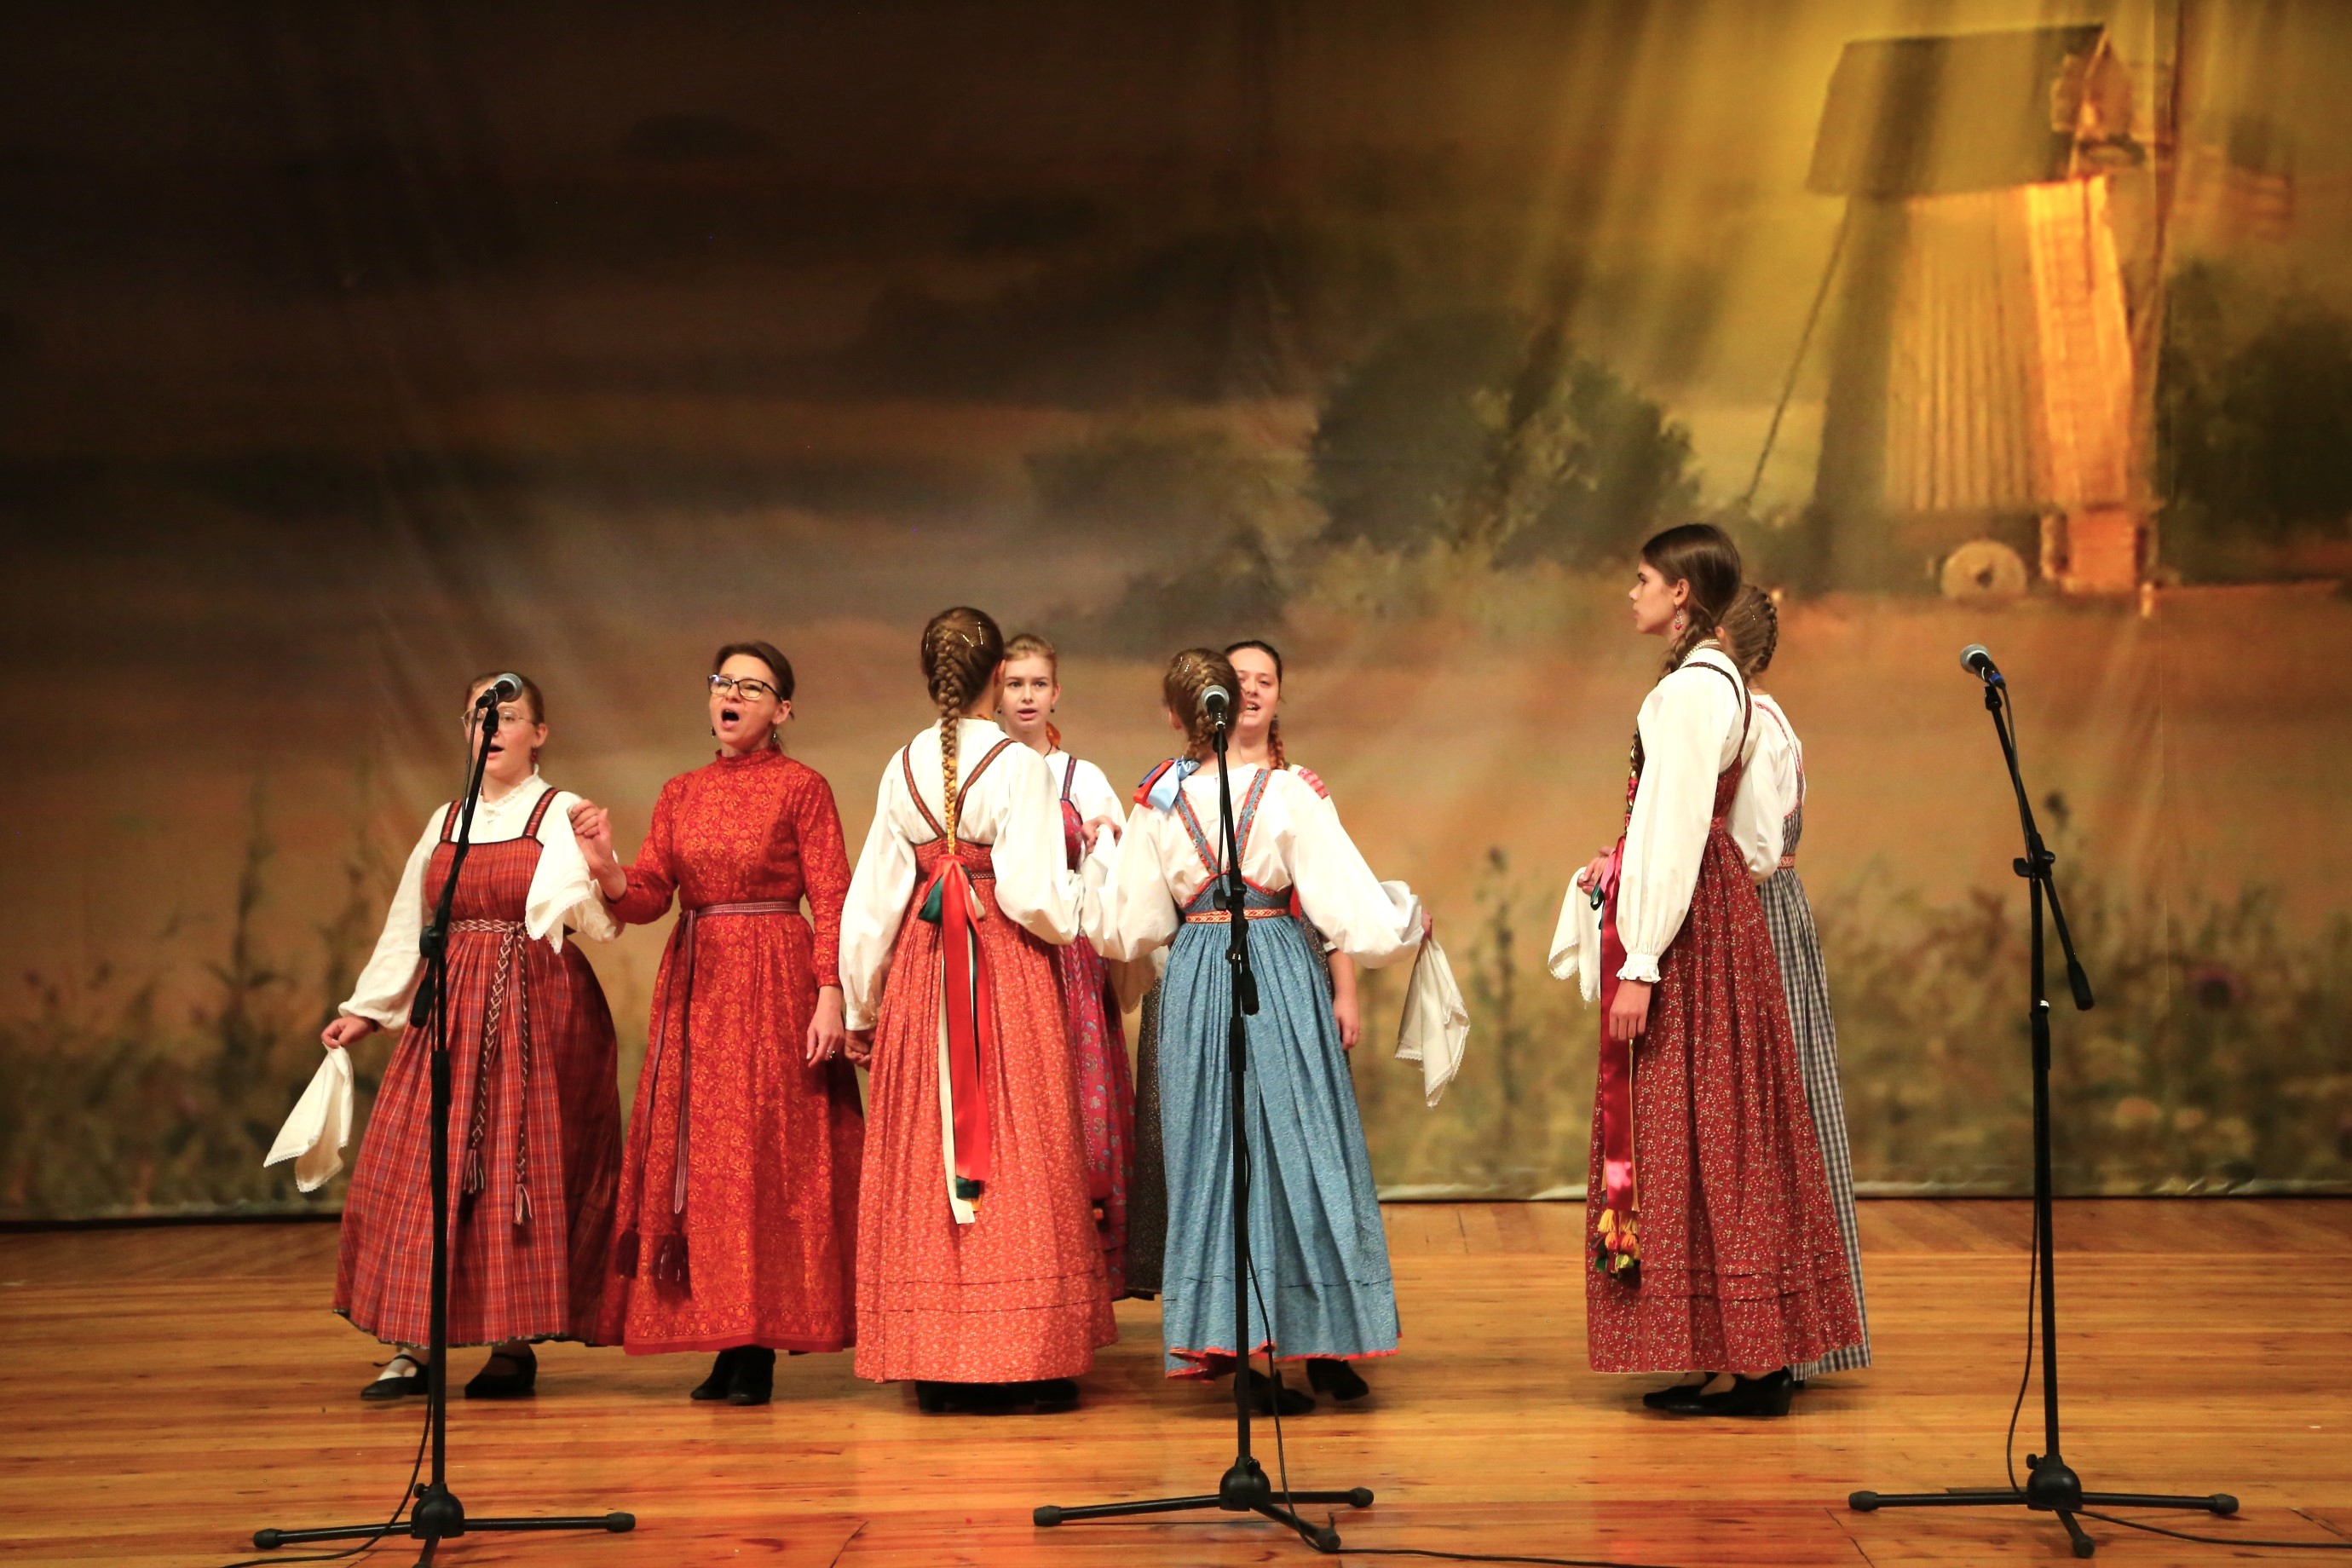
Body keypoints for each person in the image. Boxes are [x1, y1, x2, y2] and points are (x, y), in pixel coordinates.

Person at [1556, 523, 1859, 1417]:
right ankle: (1723, 1347)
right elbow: (1732, 832)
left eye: (1643, 579)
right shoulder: (1723, 686)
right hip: (1719, 910)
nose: (1633, 593)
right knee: (1708, 1125)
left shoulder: (1692, 692)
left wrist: (1642, 958)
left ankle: (1753, 1363)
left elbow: (1677, 825)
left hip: (1692, 926)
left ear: (1682, 592)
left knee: (1702, 1123)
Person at [1096, 649, 1427, 1412]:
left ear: (1177, 715)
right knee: (1298, 1148)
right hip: (1272, 960)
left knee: (1220, 1157)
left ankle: (1274, 1346)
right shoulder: (1284, 793)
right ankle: (1294, 1342)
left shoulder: (1162, 801)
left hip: (1200, 971)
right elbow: (1349, 905)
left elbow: (1128, 927)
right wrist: (1403, 920)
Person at [838, 607, 1115, 1414]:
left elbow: (873, 900)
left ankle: (938, 1360)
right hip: (1005, 967)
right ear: (998, 675)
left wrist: (862, 1003)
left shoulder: (903, 765)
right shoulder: (1020, 767)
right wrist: (1085, 890)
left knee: (931, 1149)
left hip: (926, 968)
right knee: (1020, 1140)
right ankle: (1025, 1358)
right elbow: (1035, 897)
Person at [571, 642, 861, 1407]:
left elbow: (833, 896)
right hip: (699, 986)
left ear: (782, 709)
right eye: (723, 683)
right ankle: (728, 1336)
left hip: (774, 980)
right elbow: (648, 896)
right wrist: (606, 867)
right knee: (705, 1165)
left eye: (751, 687)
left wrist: (831, 994)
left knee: (766, 1158)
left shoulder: (803, 787)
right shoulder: (681, 792)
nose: (731, 696)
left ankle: (758, 1344)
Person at [326, 672, 624, 1401]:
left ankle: (512, 1343)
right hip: (454, 1004)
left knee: (517, 1167)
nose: (491, 728)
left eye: (508, 715)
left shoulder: (561, 811)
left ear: (539, 734)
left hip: (536, 1007)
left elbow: (599, 921)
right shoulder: (448, 819)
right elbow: (412, 920)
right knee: (422, 1163)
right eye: (478, 716)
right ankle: (413, 1343)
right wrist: (369, 1008)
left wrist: (597, 862)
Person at [1127, 637, 1351, 1302]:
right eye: (1240, 680)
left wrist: (1348, 984)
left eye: (1265, 680)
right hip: (1223, 965)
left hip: (1257, 966)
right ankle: (1251, 1314)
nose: (1252, 691)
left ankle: (1279, 1314)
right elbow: (1347, 903)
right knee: (1221, 1141)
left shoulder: (1291, 788)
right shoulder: (1168, 793)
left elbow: (1333, 903)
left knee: (1278, 1138)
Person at [1717, 585, 1871, 1384]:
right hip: (1768, 907)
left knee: (1771, 1114)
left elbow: (1751, 849)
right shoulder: (1759, 719)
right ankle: (1769, 1338)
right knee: (1772, 1111)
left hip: (1756, 913)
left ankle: (1780, 1342)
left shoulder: (1752, 724)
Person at [996, 631, 1139, 1300]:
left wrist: (1103, 843)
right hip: (1002, 953)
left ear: (1056, 693)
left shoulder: (1083, 779)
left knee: (1079, 1113)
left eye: (1037, 684)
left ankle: (1083, 1271)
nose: (1026, 696)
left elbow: (1122, 873)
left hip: (1070, 962)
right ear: (996, 692)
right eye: (1014, 683)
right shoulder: (985, 770)